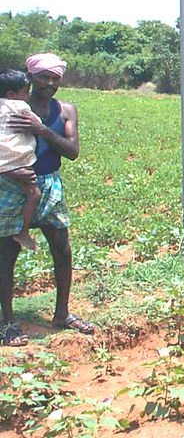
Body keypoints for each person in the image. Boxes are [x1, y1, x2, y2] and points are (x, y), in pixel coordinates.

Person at [0, 53, 91, 343]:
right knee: (6, 255)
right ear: (31, 77)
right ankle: (9, 323)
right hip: (11, 184)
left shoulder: (65, 110)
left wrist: (40, 130)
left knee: (62, 249)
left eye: (55, 78)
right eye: (43, 77)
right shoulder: (9, 107)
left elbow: (72, 151)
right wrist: (12, 174)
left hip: (50, 185)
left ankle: (62, 313)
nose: (49, 83)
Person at [0, 70, 42, 253]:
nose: (29, 95)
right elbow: (37, 124)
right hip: (17, 162)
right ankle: (23, 232)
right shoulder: (20, 106)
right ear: (11, 95)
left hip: (2, 164)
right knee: (34, 194)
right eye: (26, 91)